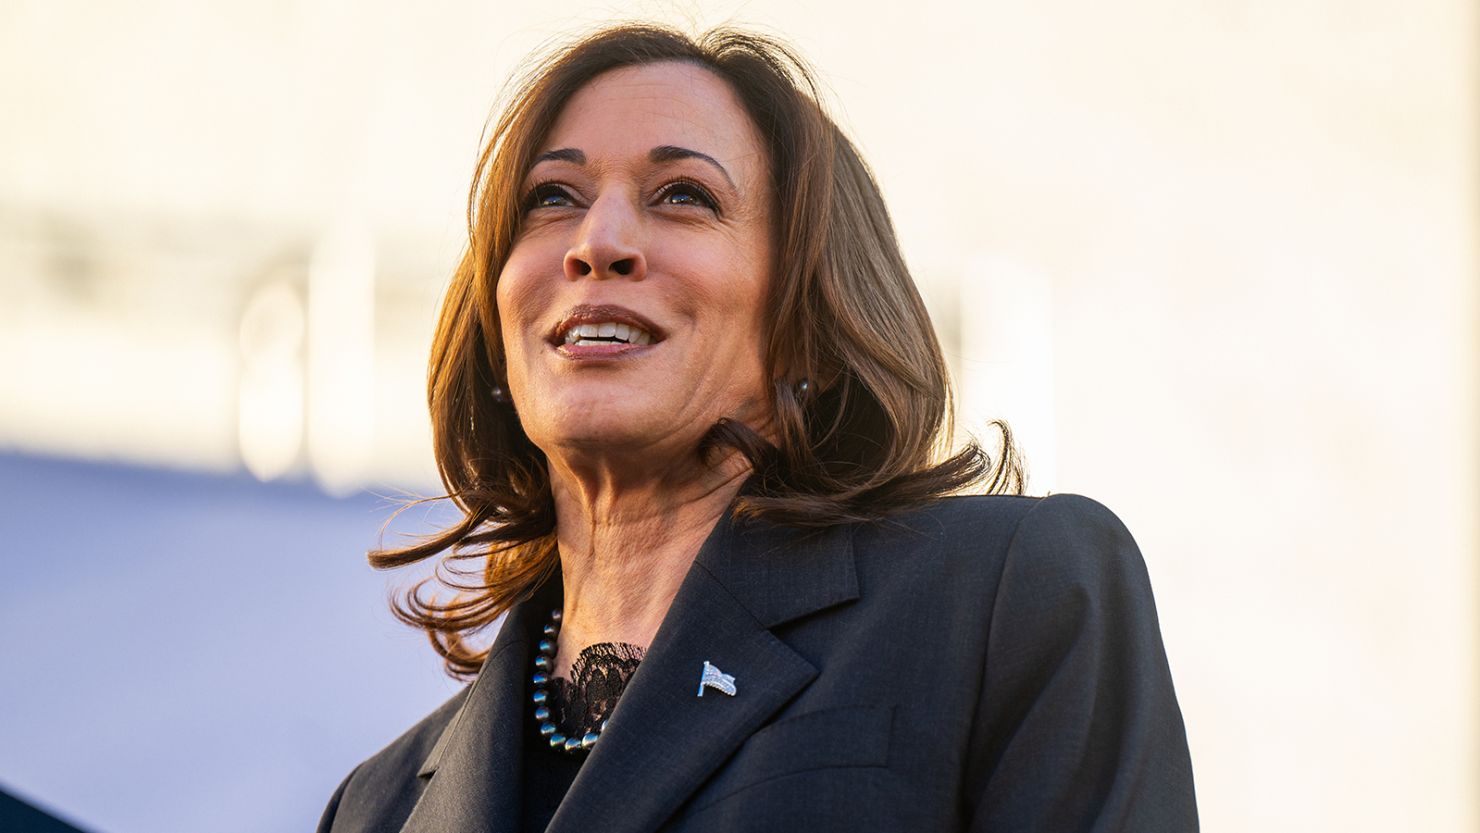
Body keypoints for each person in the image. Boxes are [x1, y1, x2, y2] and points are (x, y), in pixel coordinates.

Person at [316, 22, 1198, 833]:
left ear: (806, 317)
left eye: (682, 195)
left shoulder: (1011, 596)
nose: (600, 241)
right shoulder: (375, 806)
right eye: (552, 196)